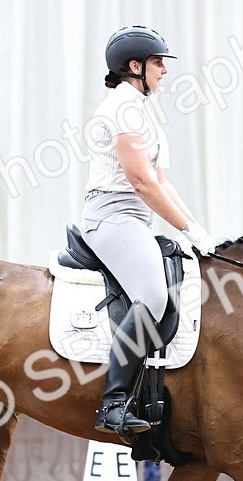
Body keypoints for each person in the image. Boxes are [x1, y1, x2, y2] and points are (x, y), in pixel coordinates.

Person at [82, 25, 218, 436]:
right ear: (135, 66)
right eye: (159, 63)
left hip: (135, 218)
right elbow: (141, 183)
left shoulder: (143, 110)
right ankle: (114, 404)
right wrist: (188, 228)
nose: (164, 71)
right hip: (111, 215)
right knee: (154, 295)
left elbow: (162, 182)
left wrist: (197, 228)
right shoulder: (122, 110)